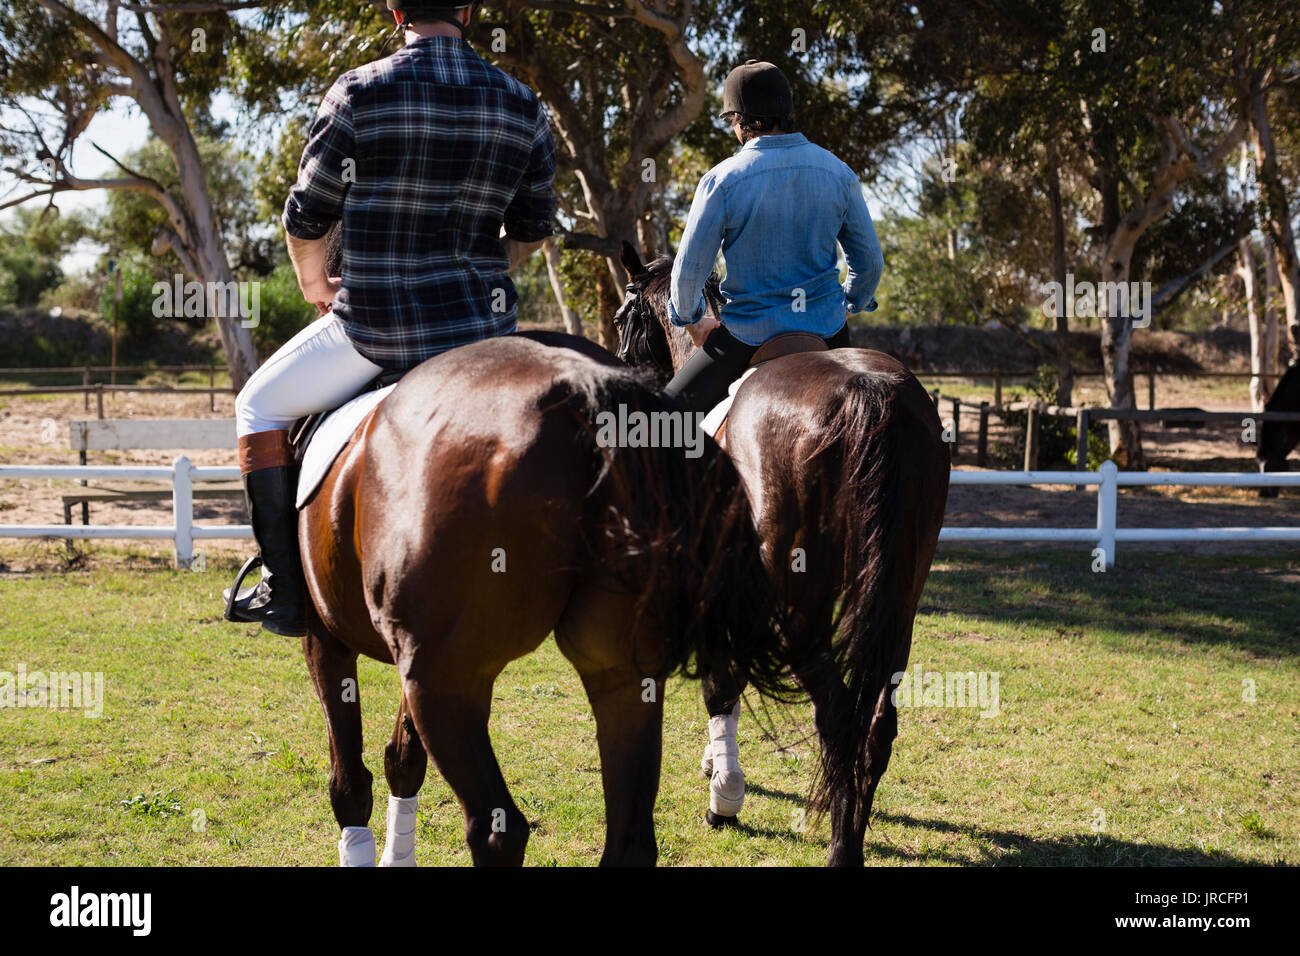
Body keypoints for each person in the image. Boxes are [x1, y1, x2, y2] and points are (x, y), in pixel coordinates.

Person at [225, 1, 556, 636]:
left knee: (257, 407)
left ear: (394, 8)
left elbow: (307, 216)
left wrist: (316, 282)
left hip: (379, 329)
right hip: (483, 343)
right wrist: (483, 270)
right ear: (467, 9)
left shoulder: (358, 91)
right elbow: (532, 229)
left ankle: (285, 590)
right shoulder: (521, 103)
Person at [666, 60, 884, 412]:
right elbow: (870, 264)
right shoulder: (839, 172)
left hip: (746, 336)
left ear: (739, 120)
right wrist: (849, 304)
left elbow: (688, 276)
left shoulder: (722, 181)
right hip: (827, 332)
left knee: (660, 425)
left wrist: (691, 321)